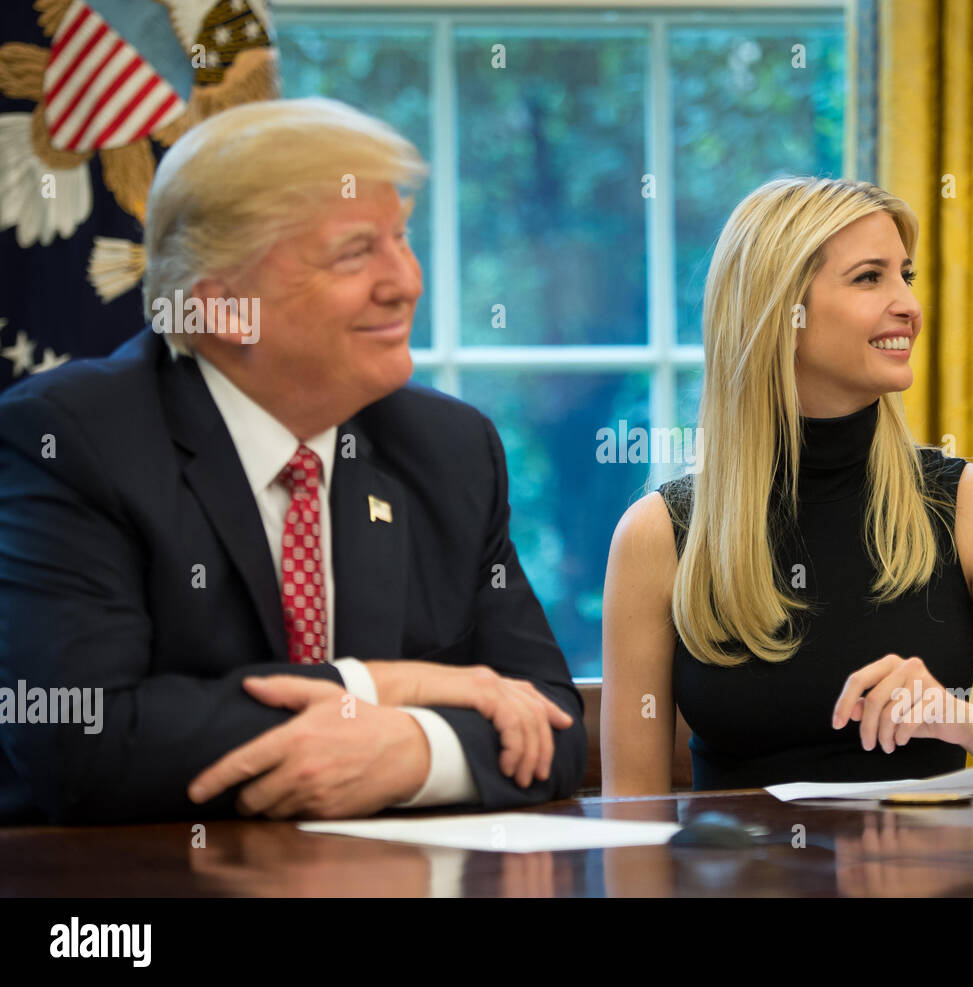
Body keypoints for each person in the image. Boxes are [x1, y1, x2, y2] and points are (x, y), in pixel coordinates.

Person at [0, 98, 585, 823]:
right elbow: (80, 736)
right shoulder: (72, 438)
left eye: (401, 238)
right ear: (219, 307)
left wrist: (416, 750)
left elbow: (552, 724)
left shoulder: (451, 449)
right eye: (354, 252)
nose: (406, 281)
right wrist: (378, 689)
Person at [601, 177, 973, 794]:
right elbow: (630, 816)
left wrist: (962, 720)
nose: (908, 304)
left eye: (906, 275)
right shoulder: (658, 534)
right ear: (781, 312)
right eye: (869, 278)